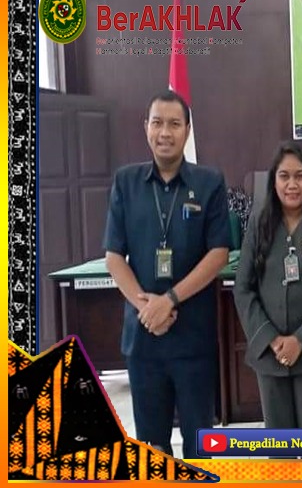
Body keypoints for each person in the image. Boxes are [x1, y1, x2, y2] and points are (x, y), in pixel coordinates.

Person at [103, 90, 230, 459]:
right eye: (157, 123)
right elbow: (114, 256)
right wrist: (148, 308)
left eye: (174, 124)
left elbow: (219, 253)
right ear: (145, 127)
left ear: (187, 130)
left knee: (200, 448)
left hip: (193, 339)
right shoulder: (126, 182)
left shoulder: (209, 182)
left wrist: (170, 300)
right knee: (152, 449)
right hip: (144, 342)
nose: (165, 132)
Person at [233, 142, 302, 431]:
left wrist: (301, 339)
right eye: (284, 176)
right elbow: (243, 288)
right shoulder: (259, 224)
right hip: (269, 355)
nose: (292, 184)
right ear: (274, 181)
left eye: (299, 176)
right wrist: (272, 339)